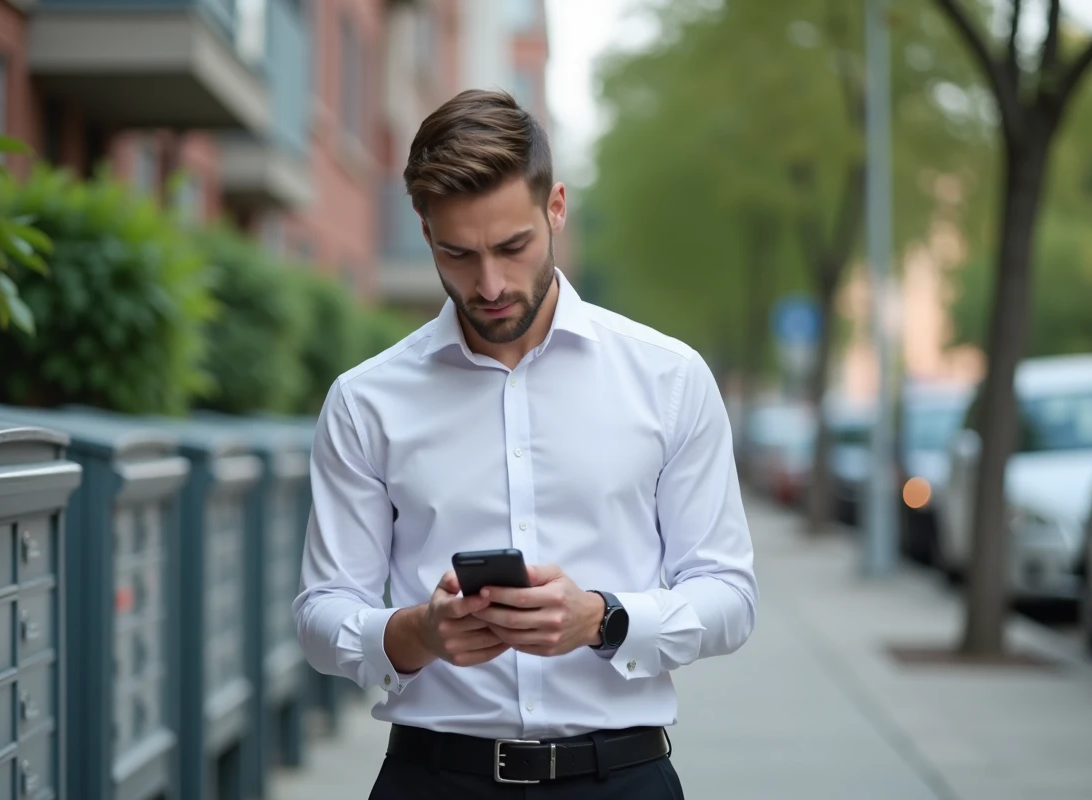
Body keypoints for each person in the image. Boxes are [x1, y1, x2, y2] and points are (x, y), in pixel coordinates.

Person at [292, 89, 757, 799]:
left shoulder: (668, 378)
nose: (490, 284)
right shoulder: (366, 401)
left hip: (621, 778)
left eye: (513, 247)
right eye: (459, 253)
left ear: (556, 208)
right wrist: (419, 632)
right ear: (423, 231)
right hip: (434, 779)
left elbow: (728, 595)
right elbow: (322, 612)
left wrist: (602, 619)